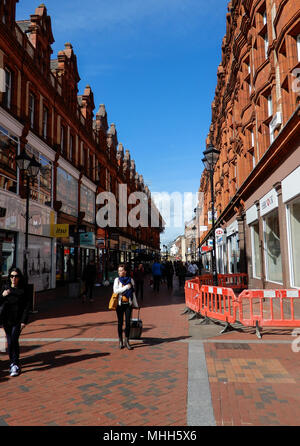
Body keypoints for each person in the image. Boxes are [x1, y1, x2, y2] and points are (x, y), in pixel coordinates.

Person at [0, 267, 30, 377]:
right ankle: (13, 362)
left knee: (13, 339)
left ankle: (15, 363)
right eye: (12, 276)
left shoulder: (23, 289)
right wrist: (3, 295)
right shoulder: (5, 288)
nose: (14, 278)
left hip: (17, 320)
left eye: (16, 276)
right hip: (6, 319)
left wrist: (23, 321)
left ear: (19, 278)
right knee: (10, 341)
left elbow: (27, 307)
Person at [113, 264, 139, 350]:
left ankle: (127, 341)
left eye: (121, 270)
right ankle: (120, 341)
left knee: (128, 323)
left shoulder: (131, 280)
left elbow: (133, 293)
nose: (120, 272)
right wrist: (126, 288)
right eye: (119, 271)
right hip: (120, 305)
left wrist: (136, 304)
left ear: (125, 271)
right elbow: (116, 291)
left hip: (128, 304)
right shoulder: (117, 280)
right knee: (120, 323)